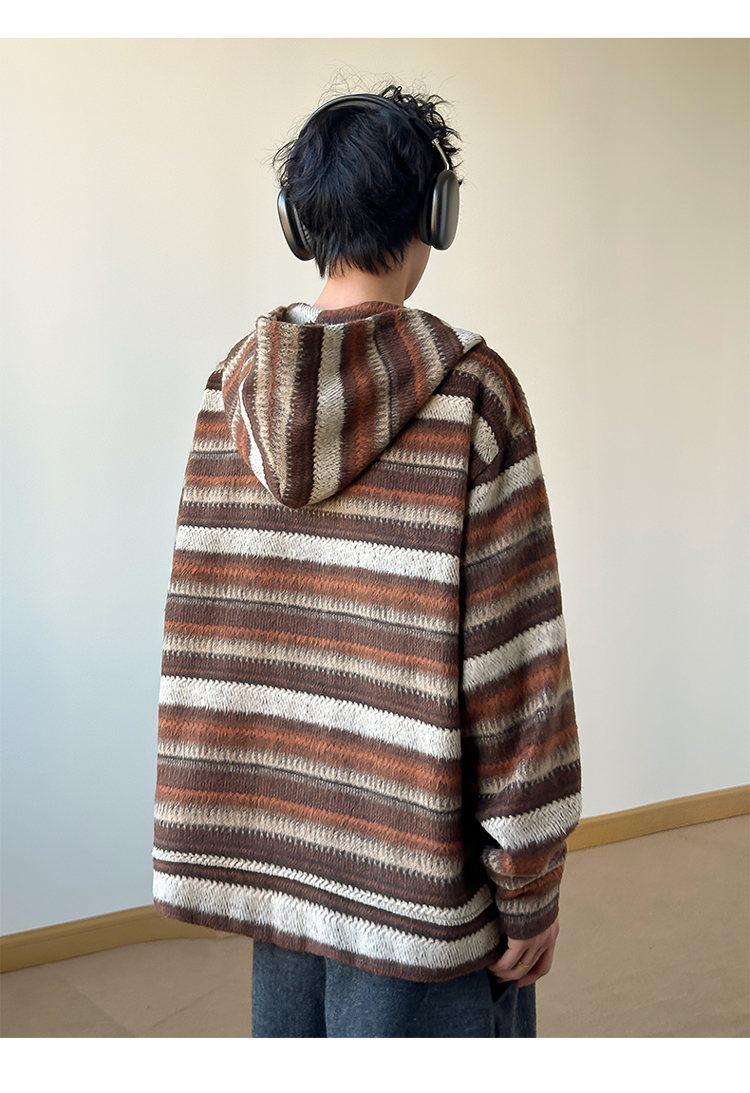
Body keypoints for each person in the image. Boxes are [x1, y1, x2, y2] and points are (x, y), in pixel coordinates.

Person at [152, 83, 582, 1039]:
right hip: (423, 887)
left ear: (300, 222)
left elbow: (207, 632)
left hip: (286, 868)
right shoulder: (472, 396)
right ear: (436, 214)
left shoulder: (231, 390)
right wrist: (530, 880)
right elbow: (517, 669)